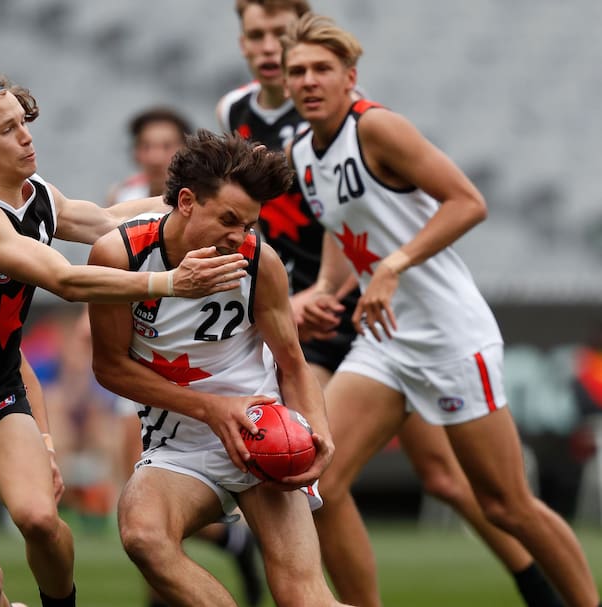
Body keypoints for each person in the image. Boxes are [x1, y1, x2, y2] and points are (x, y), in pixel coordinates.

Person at [221, 3, 566, 606]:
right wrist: (317, 290)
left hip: (419, 323)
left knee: (485, 495)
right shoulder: (262, 126)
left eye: (294, 46)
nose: (282, 59)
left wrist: (387, 268)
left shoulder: (364, 123)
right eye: (260, 36)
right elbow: (336, 222)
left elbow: (463, 202)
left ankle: (545, 587)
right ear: (244, 43)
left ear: (346, 72)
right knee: (315, 476)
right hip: (357, 320)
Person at [0, 66, 249, 607]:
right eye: (7, 129)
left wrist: (201, 204)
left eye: (24, 123)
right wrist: (171, 282)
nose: (26, 135)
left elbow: (105, 221)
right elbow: (65, 280)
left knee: (39, 520)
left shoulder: (37, 196)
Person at [88, 129, 347, 607]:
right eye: (229, 219)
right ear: (186, 201)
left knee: (303, 597)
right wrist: (210, 409)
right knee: (143, 535)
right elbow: (110, 368)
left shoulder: (258, 261)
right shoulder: (119, 256)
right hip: (179, 445)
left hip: (261, 437)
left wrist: (319, 431)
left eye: (249, 224)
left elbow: (292, 363)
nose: (240, 237)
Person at [108, 105, 265, 607]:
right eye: (146, 145)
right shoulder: (123, 209)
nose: (155, 153)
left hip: (235, 400)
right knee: (142, 523)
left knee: (303, 590)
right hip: (148, 366)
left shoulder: (241, 234)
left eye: (164, 144)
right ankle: (225, 545)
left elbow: (287, 347)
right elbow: (83, 259)